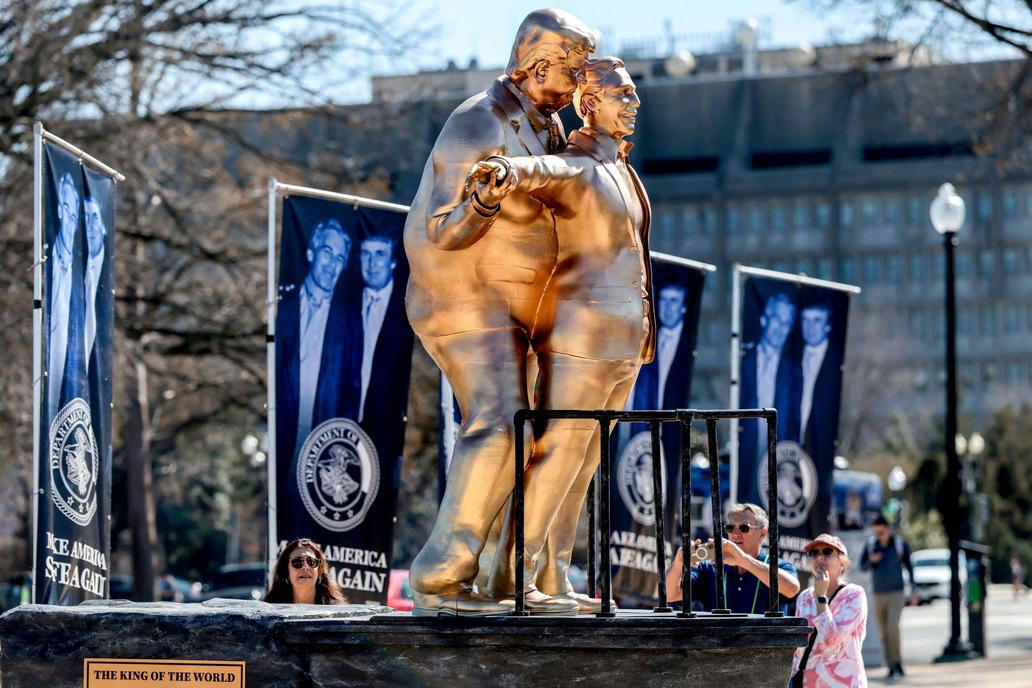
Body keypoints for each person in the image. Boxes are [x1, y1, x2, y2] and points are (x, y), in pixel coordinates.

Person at [404, 9, 595, 617]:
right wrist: (483, 202)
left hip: (526, 309)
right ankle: (440, 578)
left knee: (546, 433)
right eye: (573, 71)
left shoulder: (551, 128)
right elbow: (441, 229)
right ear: (539, 66)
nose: (579, 85)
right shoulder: (478, 120)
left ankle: (505, 577)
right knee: (502, 421)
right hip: (466, 299)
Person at [473, 56, 655, 614]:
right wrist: (505, 170)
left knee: (585, 462)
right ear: (590, 104)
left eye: (633, 95)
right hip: (582, 334)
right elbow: (541, 171)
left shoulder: (623, 170)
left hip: (626, 339)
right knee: (558, 452)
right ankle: (514, 576)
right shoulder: (578, 166)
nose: (634, 104)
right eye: (623, 95)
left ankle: (553, 574)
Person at [275, 219, 362, 467]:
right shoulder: (282, 308)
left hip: (323, 450)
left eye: (339, 258)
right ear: (311, 252)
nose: (332, 264)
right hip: (279, 441)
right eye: (327, 252)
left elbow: (352, 391)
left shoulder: (350, 323)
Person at [664, 503, 800, 614]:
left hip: (762, 640)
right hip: (719, 640)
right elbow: (670, 594)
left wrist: (743, 560)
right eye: (730, 528)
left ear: (763, 533)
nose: (735, 534)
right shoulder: (710, 567)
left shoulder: (780, 566)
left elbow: (792, 589)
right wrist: (678, 563)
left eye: (744, 528)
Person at [790, 533, 868, 688]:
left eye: (827, 552)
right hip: (807, 683)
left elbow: (831, 640)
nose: (820, 557)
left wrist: (820, 597)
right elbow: (799, 649)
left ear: (842, 564)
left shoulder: (854, 594)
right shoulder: (804, 597)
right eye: (814, 553)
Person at [859, 515, 916, 678]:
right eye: (877, 530)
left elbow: (910, 567)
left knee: (893, 627)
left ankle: (898, 662)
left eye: (882, 530)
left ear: (888, 529)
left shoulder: (899, 545)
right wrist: (871, 560)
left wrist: (914, 589)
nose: (880, 533)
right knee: (883, 631)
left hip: (896, 593)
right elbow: (862, 566)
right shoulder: (871, 545)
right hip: (878, 594)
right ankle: (890, 665)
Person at [48, 172, 85, 420]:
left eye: (75, 216)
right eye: (67, 211)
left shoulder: (78, 276)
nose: (70, 222)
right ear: (60, 211)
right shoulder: (46, 263)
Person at [357, 233, 399, 424]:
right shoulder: (344, 307)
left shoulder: (407, 309)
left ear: (393, 262)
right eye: (365, 254)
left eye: (380, 254)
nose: (371, 264)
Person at [632, 283, 693, 410]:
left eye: (673, 300)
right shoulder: (647, 338)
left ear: (684, 307)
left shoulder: (690, 344)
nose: (667, 307)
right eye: (663, 299)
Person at [264, 538, 346, 605]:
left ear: (319, 571)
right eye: (297, 562)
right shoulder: (270, 609)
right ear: (286, 571)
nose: (305, 567)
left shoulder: (335, 611)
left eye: (311, 562)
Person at [83, 195, 106, 372]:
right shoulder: (78, 266)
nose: (90, 225)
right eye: (86, 217)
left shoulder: (108, 268)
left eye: (95, 217)